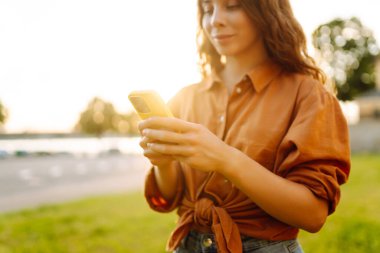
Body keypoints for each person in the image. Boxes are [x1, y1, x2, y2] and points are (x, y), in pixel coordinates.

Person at [138, 0, 350, 252]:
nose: (215, 20)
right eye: (207, 9)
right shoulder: (185, 97)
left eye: (233, 5)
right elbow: (168, 198)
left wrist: (224, 158)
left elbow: (312, 214)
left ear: (267, 11)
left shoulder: (307, 95)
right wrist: (163, 162)